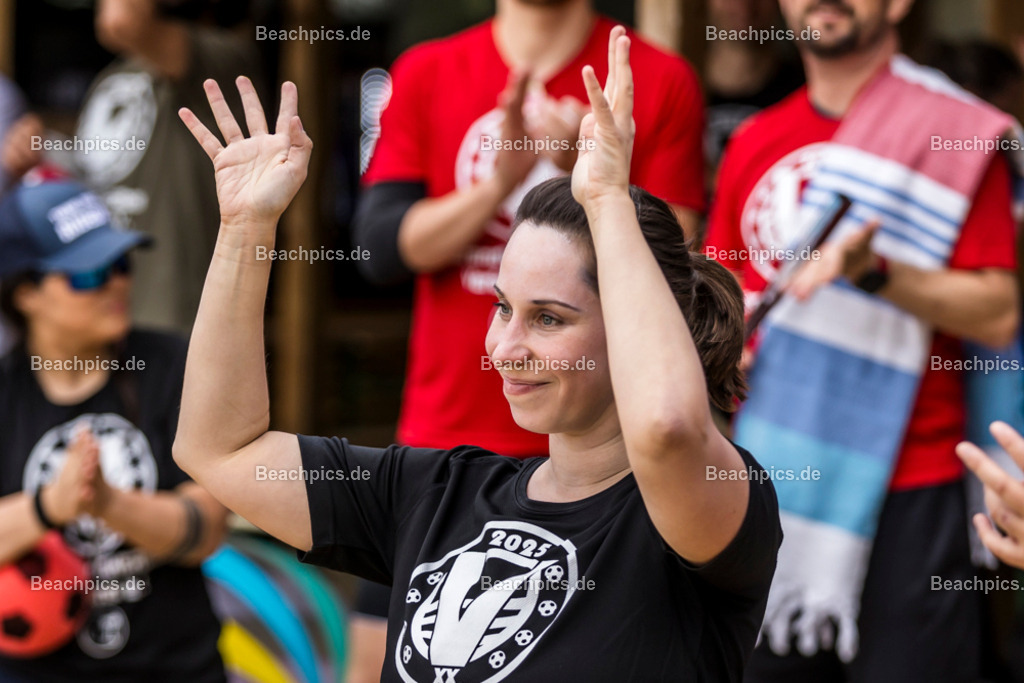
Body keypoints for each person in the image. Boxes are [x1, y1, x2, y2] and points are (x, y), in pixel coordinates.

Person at [173, 33, 781, 682]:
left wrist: (606, 199)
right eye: (501, 307)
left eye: (549, 317)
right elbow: (220, 449)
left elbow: (665, 428)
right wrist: (245, 232)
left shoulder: (706, 501)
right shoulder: (430, 493)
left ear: (635, 324)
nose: (505, 348)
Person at [351, 4, 706, 675]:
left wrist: (595, 184)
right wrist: (501, 182)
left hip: (603, 463)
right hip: (444, 444)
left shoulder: (654, 79)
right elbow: (381, 249)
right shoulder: (427, 70)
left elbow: (676, 274)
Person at [706, 0, 1021, 681]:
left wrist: (876, 274)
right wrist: (725, 348)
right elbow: (721, 300)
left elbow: (998, 314)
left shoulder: (951, 133)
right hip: (770, 476)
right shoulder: (755, 137)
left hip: (913, 479)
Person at [0, 179, 228, 682]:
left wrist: (109, 504)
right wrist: (48, 505)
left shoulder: (173, 364)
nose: (117, 283)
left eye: (121, 264)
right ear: (25, 293)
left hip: (176, 669)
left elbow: (208, 530)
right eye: (88, 274)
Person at [73, 0, 259, 336]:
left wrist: (126, 20)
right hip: (98, 301)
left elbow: (125, 26)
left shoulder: (222, 55)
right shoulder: (115, 74)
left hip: (168, 308)